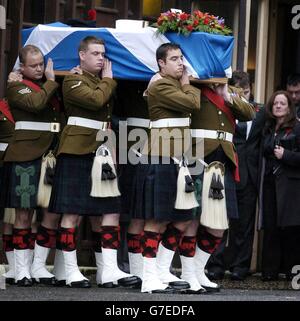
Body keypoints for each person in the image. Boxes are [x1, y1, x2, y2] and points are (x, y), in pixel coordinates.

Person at [48, 36, 139, 288]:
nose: (102, 58)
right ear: (81, 55)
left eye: (103, 54)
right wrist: (109, 80)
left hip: (102, 152)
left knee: (109, 211)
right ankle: (69, 272)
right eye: (96, 53)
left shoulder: (101, 82)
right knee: (72, 213)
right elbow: (96, 100)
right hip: (77, 151)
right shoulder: (73, 80)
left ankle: (107, 271)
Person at [132, 43, 201, 293]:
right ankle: (149, 276)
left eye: (181, 58)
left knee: (182, 220)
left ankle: (162, 270)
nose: (180, 63)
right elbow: (193, 103)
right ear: (161, 63)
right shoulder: (159, 84)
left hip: (177, 161)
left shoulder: (172, 83)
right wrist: (186, 83)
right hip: (158, 158)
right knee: (155, 221)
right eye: (174, 59)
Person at [180, 77, 255, 291]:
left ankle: (196, 269)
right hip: (199, 157)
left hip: (224, 162)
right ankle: (187, 273)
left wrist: (225, 94)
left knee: (219, 224)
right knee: (193, 219)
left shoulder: (231, 91)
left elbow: (249, 113)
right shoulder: (194, 88)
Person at [3, 45, 63, 286]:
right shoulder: (16, 86)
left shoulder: (49, 86)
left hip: (49, 156)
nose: (39, 69)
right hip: (24, 158)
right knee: (23, 214)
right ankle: (21, 270)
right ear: (22, 67)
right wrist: (50, 81)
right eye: (34, 65)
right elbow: (36, 103)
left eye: (41, 64)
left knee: (50, 212)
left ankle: (38, 266)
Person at [206, 71, 265, 281]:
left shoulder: (260, 110)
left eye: (246, 92)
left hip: (250, 175)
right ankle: (215, 265)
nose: (244, 95)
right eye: (239, 91)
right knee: (219, 219)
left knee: (245, 224)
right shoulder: (224, 104)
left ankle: (241, 266)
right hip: (228, 168)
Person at [258, 90, 300, 282]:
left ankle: (294, 272)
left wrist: (286, 155)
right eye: (275, 103)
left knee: (291, 229)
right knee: (271, 227)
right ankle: (270, 271)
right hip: (269, 183)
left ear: (289, 107)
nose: (278, 106)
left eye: (282, 103)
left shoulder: (297, 127)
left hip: (291, 186)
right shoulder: (268, 127)